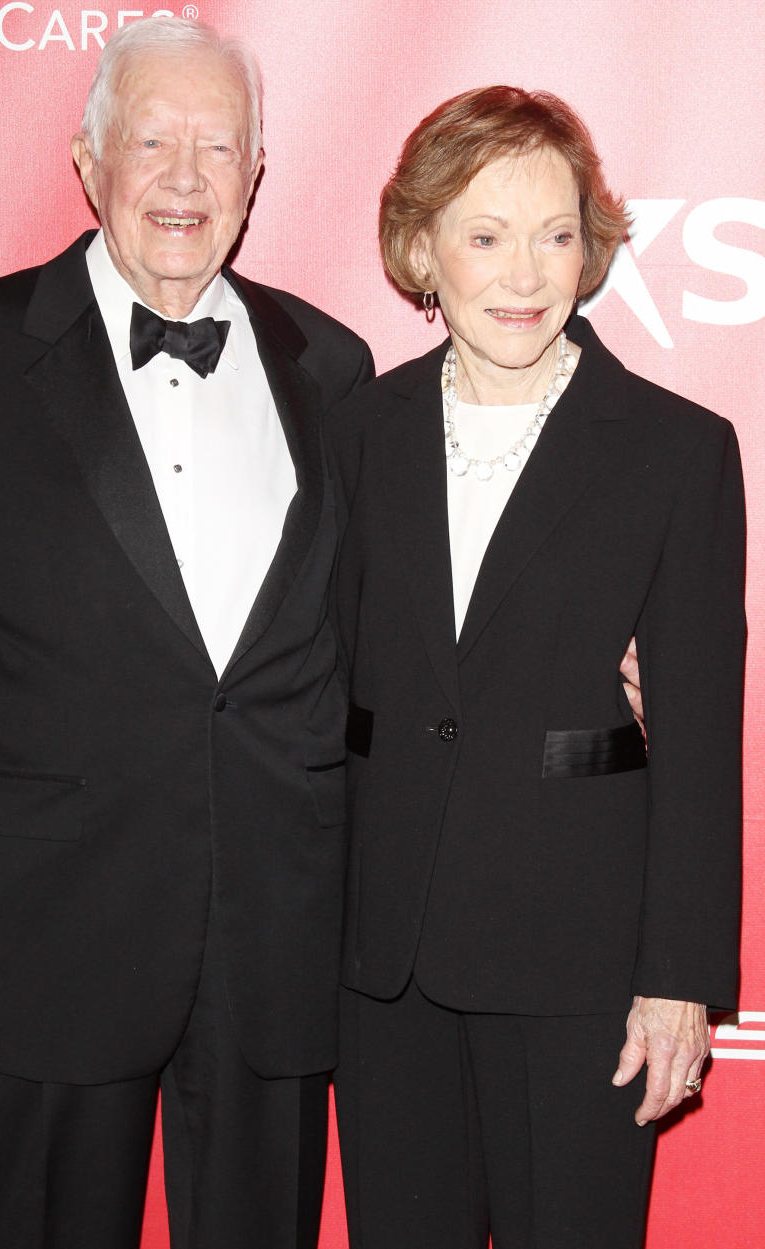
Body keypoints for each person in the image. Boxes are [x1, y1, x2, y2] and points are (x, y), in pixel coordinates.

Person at [0, 17, 374, 1249]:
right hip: (44, 931)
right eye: (153, 139)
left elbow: (371, 641)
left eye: (218, 146)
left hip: (275, 937)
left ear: (257, 175)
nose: (186, 176)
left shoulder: (334, 369)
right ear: (88, 162)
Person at [327, 86, 745, 1249]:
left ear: (592, 244)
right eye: (486, 234)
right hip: (385, 968)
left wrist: (680, 982)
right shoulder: (360, 433)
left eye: (556, 233)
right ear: (422, 249)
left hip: (582, 969)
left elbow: (703, 744)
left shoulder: (678, 452)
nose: (526, 273)